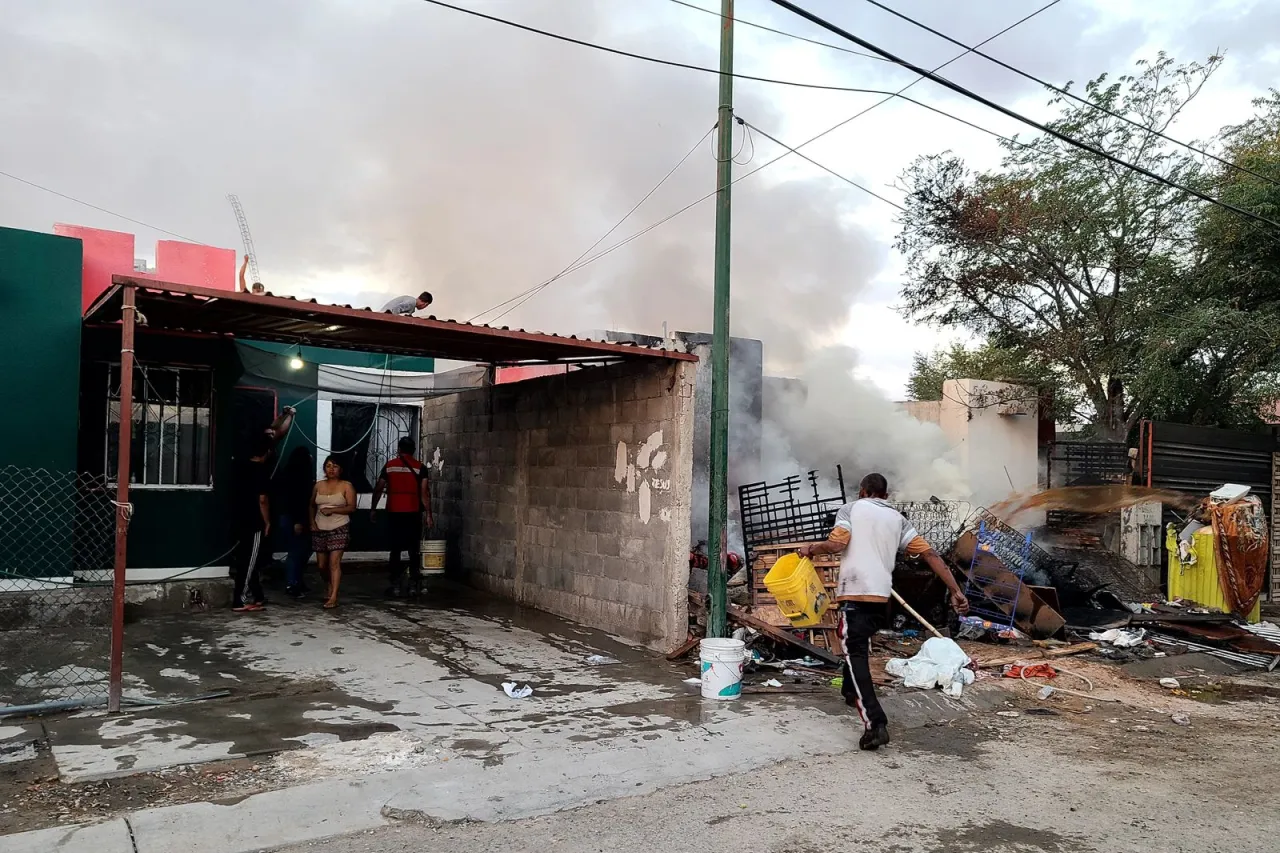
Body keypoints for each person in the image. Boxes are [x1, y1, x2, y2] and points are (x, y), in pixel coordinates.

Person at [798, 472, 969, 752]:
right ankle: (849, 689)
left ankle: (875, 723)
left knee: (854, 652)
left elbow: (838, 543)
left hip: (855, 594)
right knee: (856, 646)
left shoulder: (851, 508)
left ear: (863, 491)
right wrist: (955, 590)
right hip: (882, 599)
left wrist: (811, 549)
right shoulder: (898, 519)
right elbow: (931, 555)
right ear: (885, 496)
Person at [371, 437, 432, 598]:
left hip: (394, 511)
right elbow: (424, 493)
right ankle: (413, 584)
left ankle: (395, 584)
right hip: (413, 512)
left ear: (399, 449)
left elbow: (379, 487)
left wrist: (373, 508)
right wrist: (429, 515)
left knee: (395, 549)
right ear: (413, 450)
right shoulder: (421, 467)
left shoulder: (390, 466)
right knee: (413, 550)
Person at [229, 432, 273, 612]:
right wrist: (267, 521)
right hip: (253, 521)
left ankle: (258, 595)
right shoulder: (260, 471)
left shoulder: (238, 467)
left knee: (245, 559)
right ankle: (240, 600)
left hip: (237, 519)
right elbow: (262, 500)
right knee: (249, 561)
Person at [311, 455, 356, 609]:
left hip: (339, 527)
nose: (331, 469)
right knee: (321, 565)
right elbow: (311, 505)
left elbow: (351, 507)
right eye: (328, 465)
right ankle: (328, 584)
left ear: (341, 469)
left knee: (334, 563)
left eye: (335, 466)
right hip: (319, 528)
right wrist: (312, 522)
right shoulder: (318, 486)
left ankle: (334, 596)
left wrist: (334, 510)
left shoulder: (346, 486)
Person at [274, 446, 315, 599]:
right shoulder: (301, 478)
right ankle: (292, 583)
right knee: (297, 552)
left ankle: (297, 581)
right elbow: (298, 500)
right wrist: (298, 521)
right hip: (296, 519)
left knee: (300, 551)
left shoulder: (287, 474)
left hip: (287, 518)